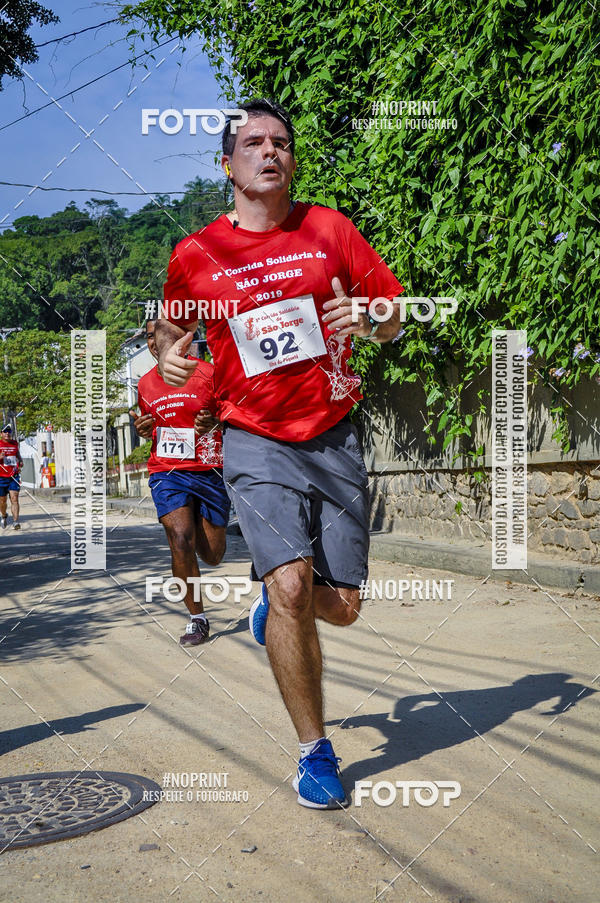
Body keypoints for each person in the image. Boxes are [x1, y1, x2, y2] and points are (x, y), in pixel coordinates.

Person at [154, 99, 403, 808]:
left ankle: (276, 606)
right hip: (253, 437)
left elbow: (391, 314)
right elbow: (169, 329)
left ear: (292, 160)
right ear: (226, 164)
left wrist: (371, 319)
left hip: (333, 431)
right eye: (254, 142)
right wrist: (169, 356)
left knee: (344, 606)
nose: (271, 151)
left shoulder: (329, 229)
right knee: (291, 583)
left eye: (282, 143)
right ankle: (313, 751)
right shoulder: (196, 254)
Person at [130, 319, 231, 646]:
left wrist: (215, 422)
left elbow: (232, 416)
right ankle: (197, 618)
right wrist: (144, 430)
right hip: (168, 473)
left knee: (213, 554)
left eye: (160, 335)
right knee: (180, 538)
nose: (153, 342)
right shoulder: (145, 384)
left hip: (210, 471)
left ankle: (198, 534)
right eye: (149, 337)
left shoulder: (209, 374)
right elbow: (151, 427)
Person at [0, 424, 23, 530]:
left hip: (13, 476)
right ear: (1, 434)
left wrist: (20, 461)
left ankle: (16, 522)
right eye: (5, 431)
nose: (7, 433)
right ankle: (4, 515)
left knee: (14, 498)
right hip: (1, 477)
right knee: (2, 501)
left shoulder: (14, 443)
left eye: (9, 431)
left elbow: (17, 455)